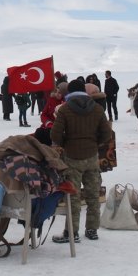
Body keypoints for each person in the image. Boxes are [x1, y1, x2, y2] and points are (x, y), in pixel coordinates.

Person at [50, 79, 110, 243]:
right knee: (93, 195)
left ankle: (72, 232)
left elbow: (55, 135)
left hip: (72, 157)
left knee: (73, 196)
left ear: (68, 93)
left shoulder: (65, 109)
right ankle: (92, 230)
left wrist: (66, 143)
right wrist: (95, 143)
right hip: (92, 157)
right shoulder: (97, 109)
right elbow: (106, 133)